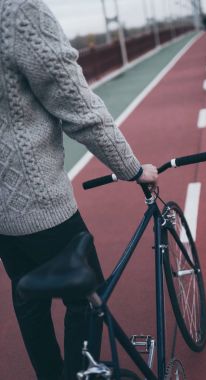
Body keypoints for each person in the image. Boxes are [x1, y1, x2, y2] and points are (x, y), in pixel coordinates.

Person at [0, 0, 158, 379]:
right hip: (40, 203)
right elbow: (77, 106)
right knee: (88, 298)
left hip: (4, 216)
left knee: (29, 302)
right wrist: (133, 169)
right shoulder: (19, 11)